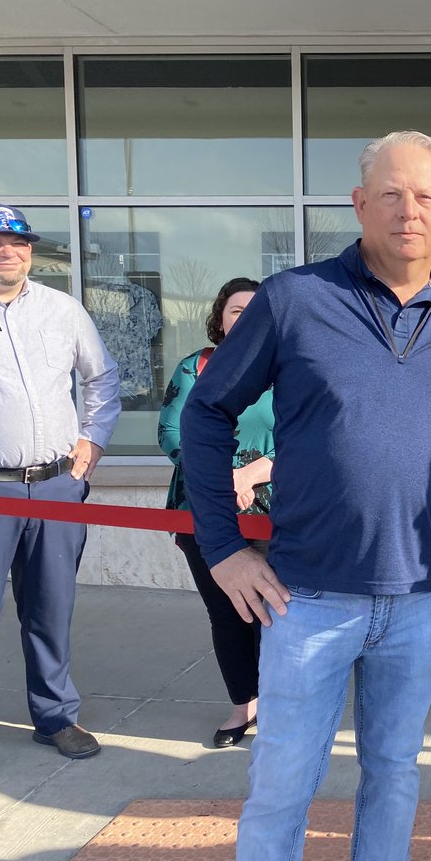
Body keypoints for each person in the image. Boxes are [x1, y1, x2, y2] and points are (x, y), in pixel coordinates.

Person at [179, 131, 431, 861]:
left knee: (393, 777)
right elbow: (205, 412)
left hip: (422, 604)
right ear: (359, 205)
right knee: (283, 787)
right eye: (390, 194)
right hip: (307, 600)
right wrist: (224, 548)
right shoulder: (295, 299)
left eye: (423, 197)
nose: (407, 210)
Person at [0, 203, 120, 759]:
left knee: (51, 605)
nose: (6, 253)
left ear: (30, 252)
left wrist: (94, 441)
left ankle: (56, 716)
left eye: (16, 244)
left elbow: (102, 377)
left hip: (59, 486)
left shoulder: (63, 311)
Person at [158, 278, 273, 747]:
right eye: (235, 310)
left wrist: (254, 474)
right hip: (202, 509)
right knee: (228, 612)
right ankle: (243, 703)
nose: (243, 319)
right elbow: (172, 432)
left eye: (254, 310)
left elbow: (310, 439)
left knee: (277, 614)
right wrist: (225, 478)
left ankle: (282, 702)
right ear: (219, 319)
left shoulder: (288, 369)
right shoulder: (195, 368)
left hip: (275, 507)